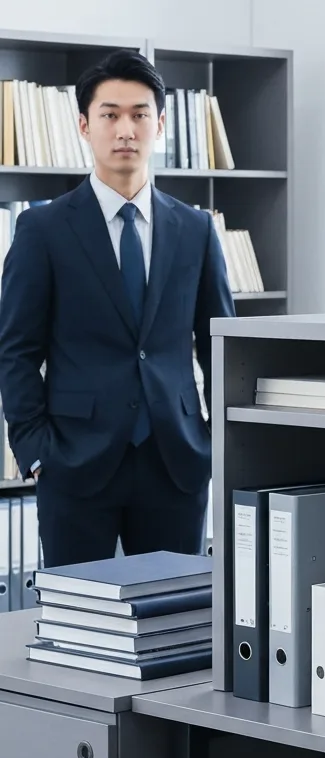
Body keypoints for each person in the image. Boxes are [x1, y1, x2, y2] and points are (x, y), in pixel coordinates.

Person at [0, 49, 234, 568]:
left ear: (161, 125)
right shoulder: (43, 230)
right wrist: (38, 453)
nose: (125, 129)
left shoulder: (195, 230)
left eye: (139, 114)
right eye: (110, 115)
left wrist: (216, 442)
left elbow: (220, 343)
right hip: (73, 463)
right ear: (85, 125)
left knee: (172, 626)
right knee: (79, 629)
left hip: (176, 463)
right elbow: (15, 351)